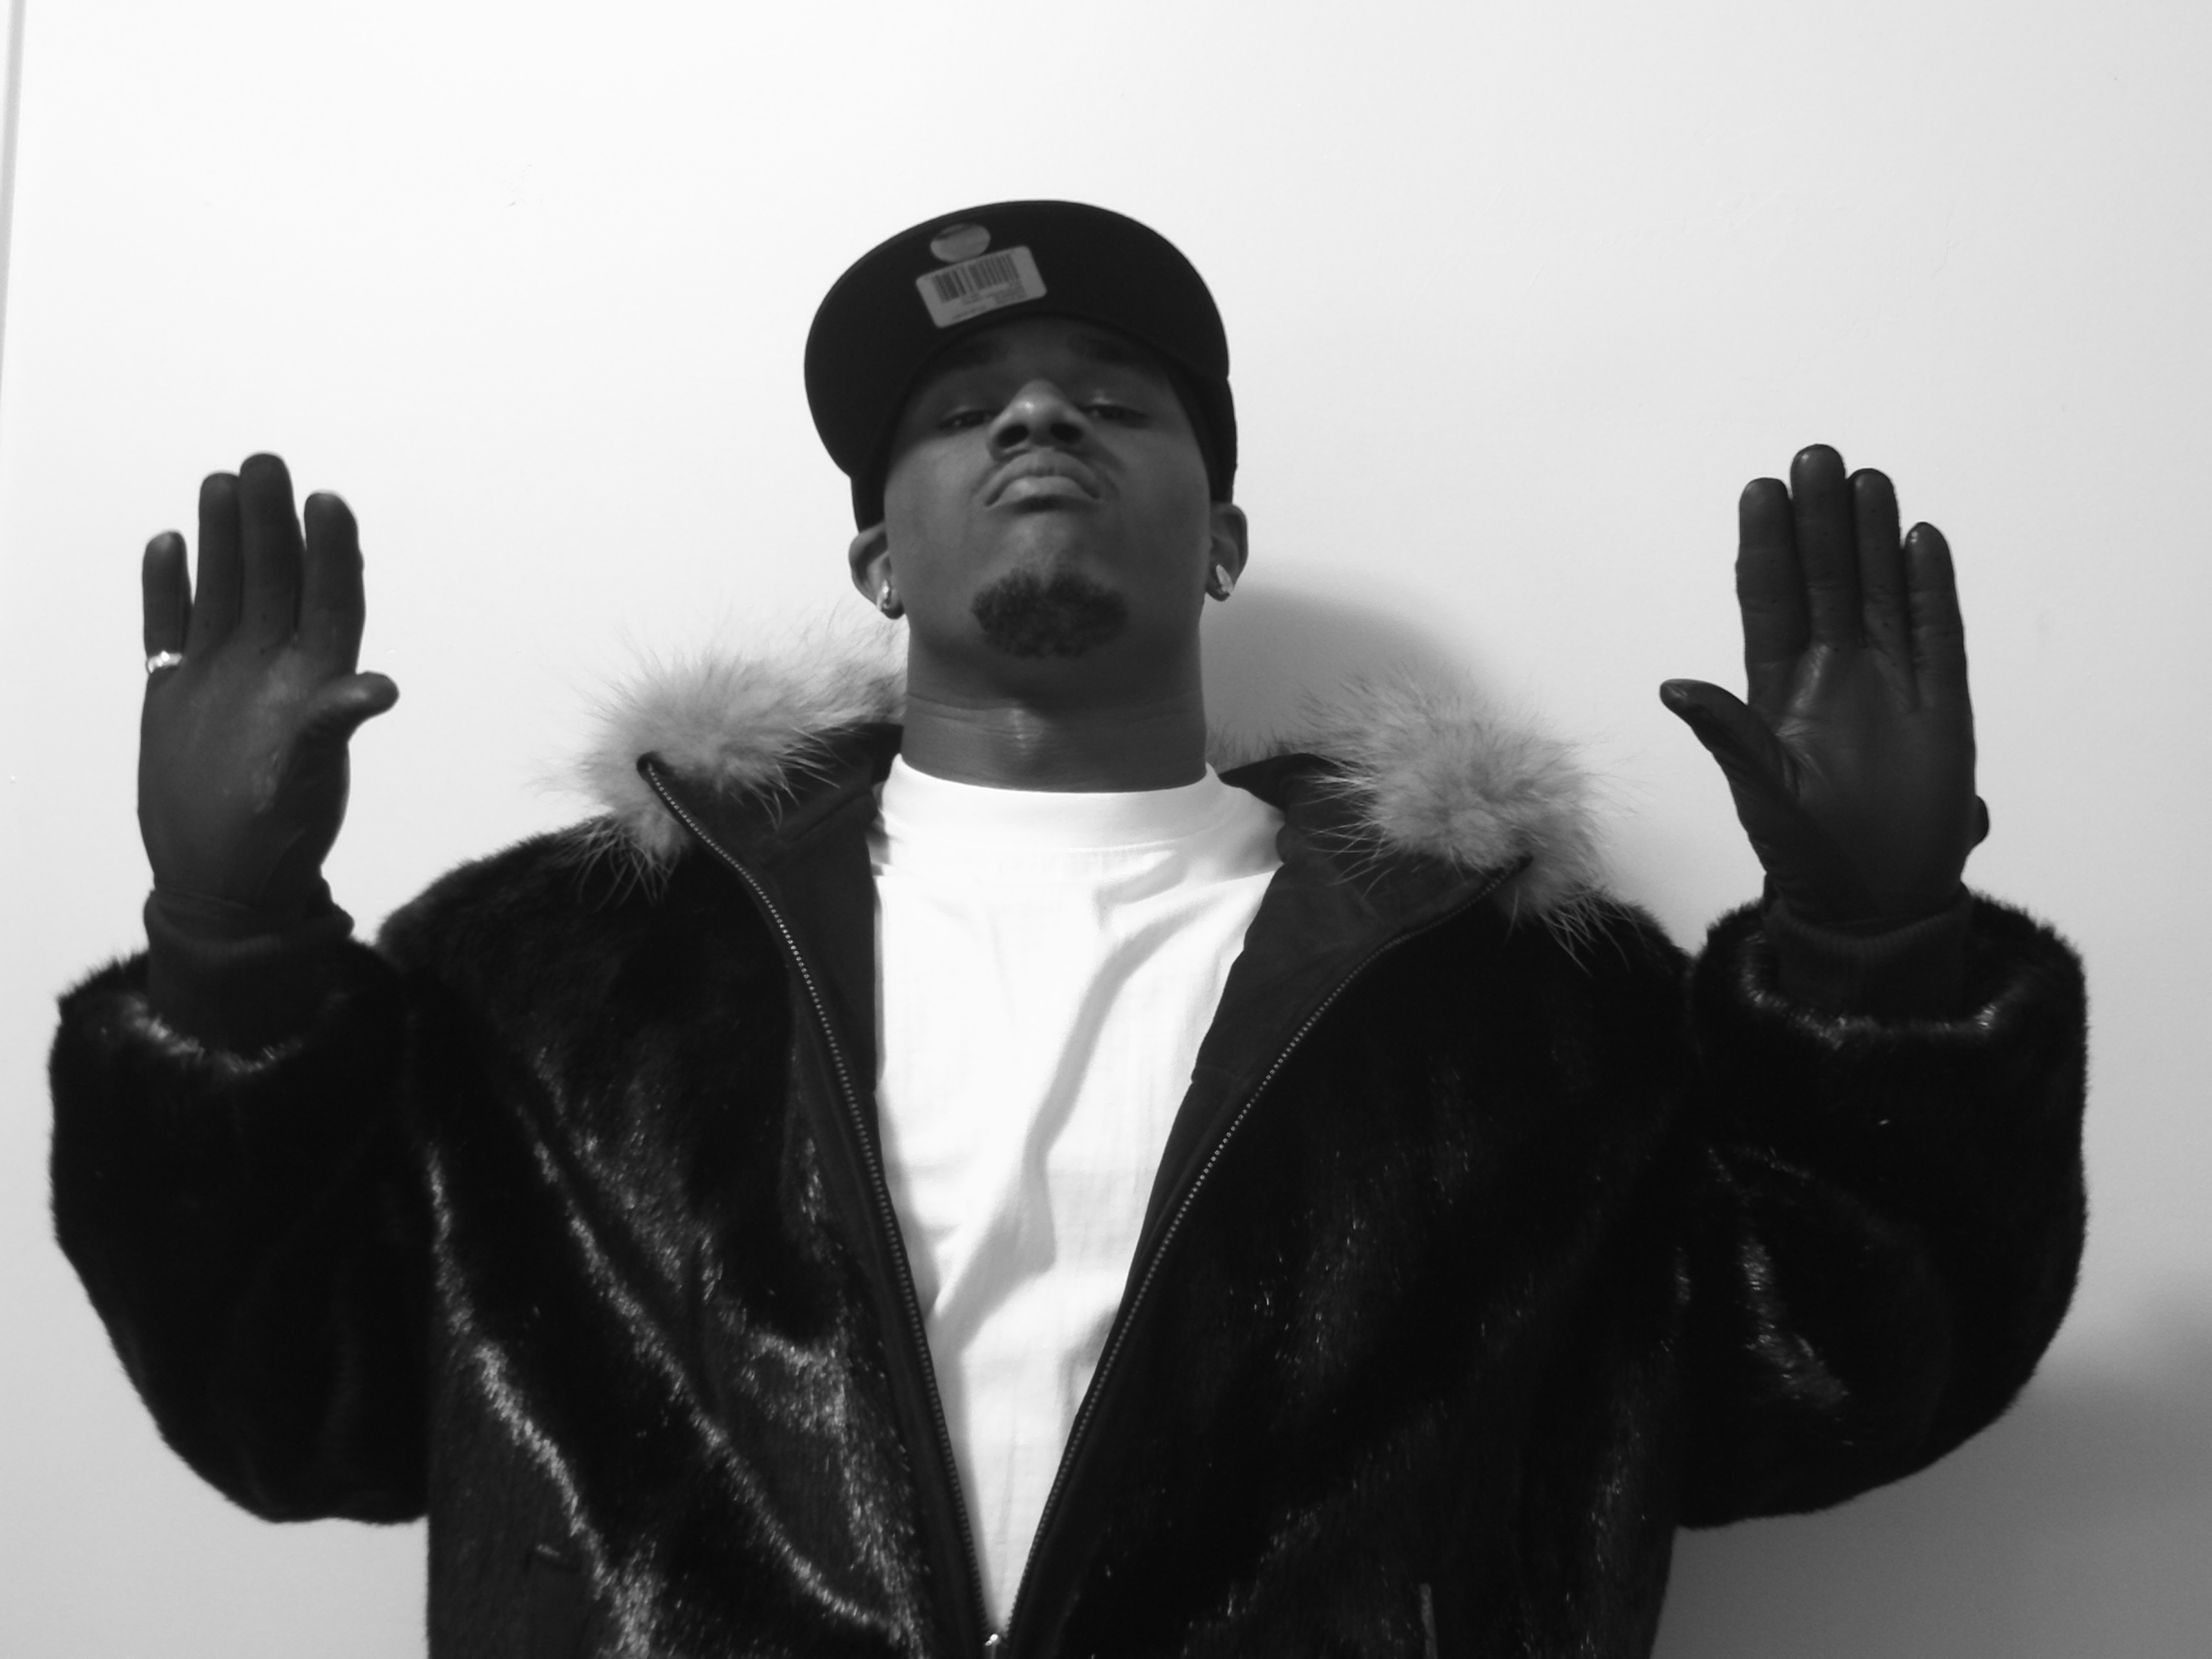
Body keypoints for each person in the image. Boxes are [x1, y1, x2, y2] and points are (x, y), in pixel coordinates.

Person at [50, 201, 2086, 1658]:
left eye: (1116, 397)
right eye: (963, 411)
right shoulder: (571, 978)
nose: (1040, 422)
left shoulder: (1510, 1004)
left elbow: (1822, 1369)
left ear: (1222, 537)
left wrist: (1875, 951)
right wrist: (230, 946)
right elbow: (298, 1399)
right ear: (877, 551)